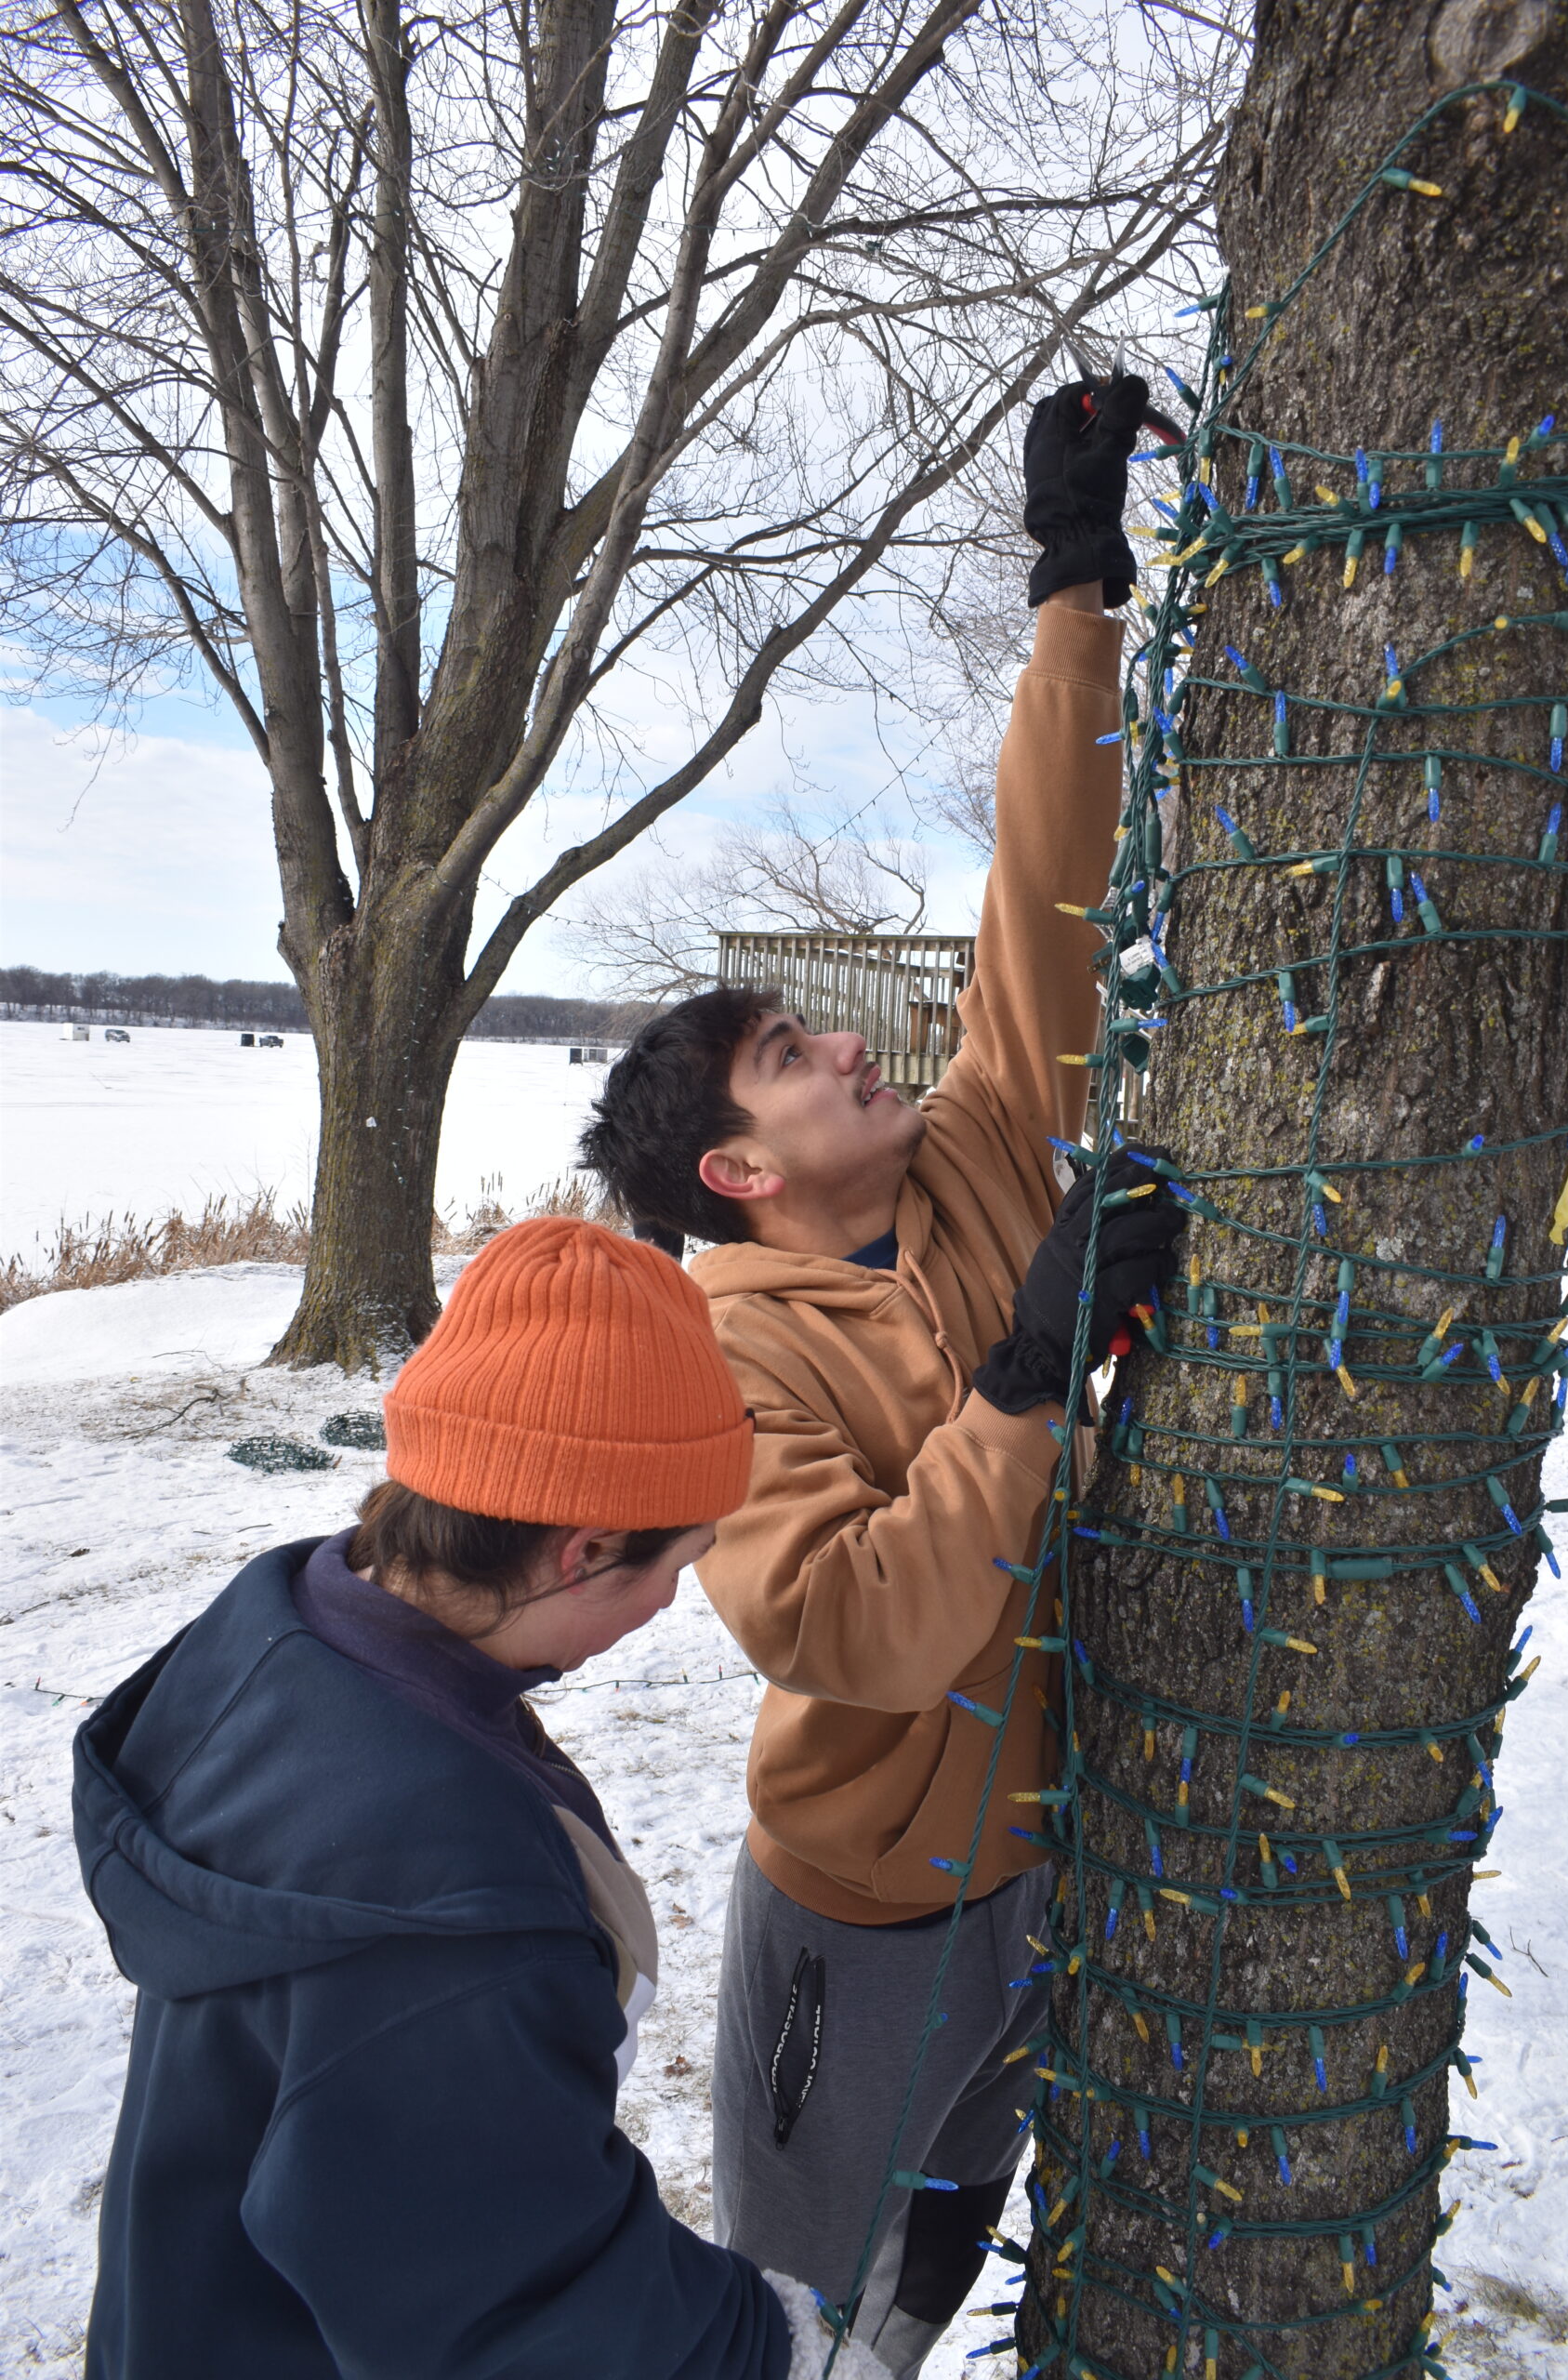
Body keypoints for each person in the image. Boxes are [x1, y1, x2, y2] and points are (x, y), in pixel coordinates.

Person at [579, 374, 1186, 2373]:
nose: (852, 1043)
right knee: (798, 2308)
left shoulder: (980, 1146)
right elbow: (852, 1624)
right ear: (738, 1172)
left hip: (1052, 1848)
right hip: (856, 1911)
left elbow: (1043, 893)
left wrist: (1070, 591)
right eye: (791, 1055)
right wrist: (1022, 1380)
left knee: (947, 2243)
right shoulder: (719, 1352)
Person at [72, 1219, 889, 2380]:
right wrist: (771, 2352)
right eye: (679, 1560)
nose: (676, 1599)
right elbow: (509, 2289)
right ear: (584, 1550)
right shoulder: (437, 1891)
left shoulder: (293, 1641)